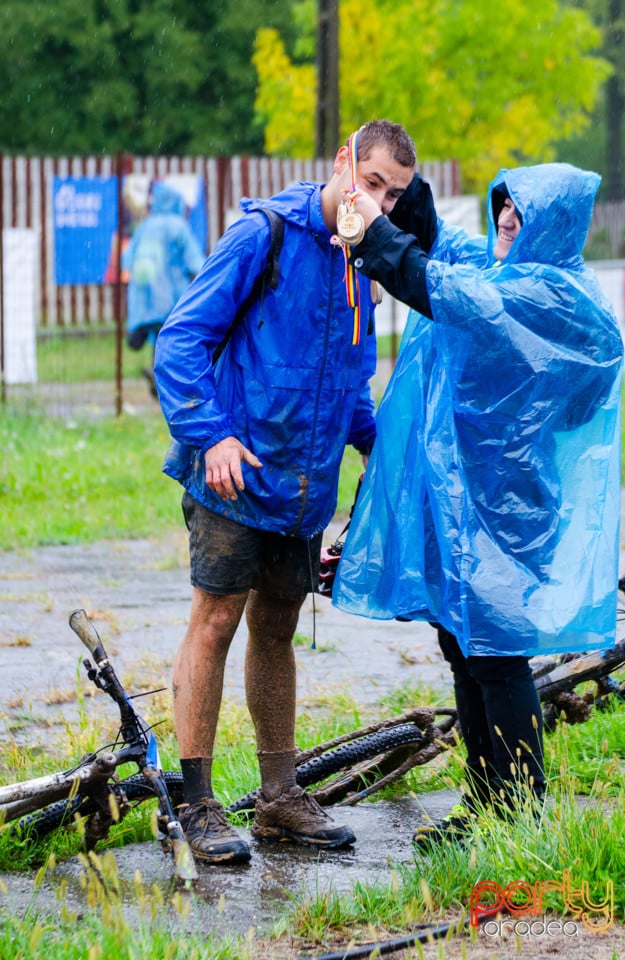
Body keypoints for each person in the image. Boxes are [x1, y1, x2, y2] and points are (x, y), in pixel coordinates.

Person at [332, 163, 623, 845]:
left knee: (495, 653)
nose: (505, 230)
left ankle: (518, 812)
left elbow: (438, 283)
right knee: (464, 645)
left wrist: (376, 229)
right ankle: (486, 802)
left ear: (550, 227)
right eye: (502, 217)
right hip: (472, 500)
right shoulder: (515, 275)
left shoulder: (545, 294)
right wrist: (404, 198)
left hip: (511, 507)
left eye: (519, 221)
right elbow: (450, 251)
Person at [153, 121, 418, 865]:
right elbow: (180, 340)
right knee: (216, 622)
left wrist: (377, 447)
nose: (381, 204)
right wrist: (212, 435)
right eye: (371, 184)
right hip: (233, 473)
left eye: (394, 194)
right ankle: (198, 806)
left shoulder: (364, 261)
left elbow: (352, 375)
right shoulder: (263, 234)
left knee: (276, 628)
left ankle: (278, 800)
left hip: (305, 487)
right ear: (342, 163)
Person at [123, 181, 205, 396]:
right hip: (171, 295)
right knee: (171, 340)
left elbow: (127, 259)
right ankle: (164, 381)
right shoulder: (178, 226)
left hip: (143, 297)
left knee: (158, 337)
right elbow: (196, 263)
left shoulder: (144, 227)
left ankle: (151, 366)